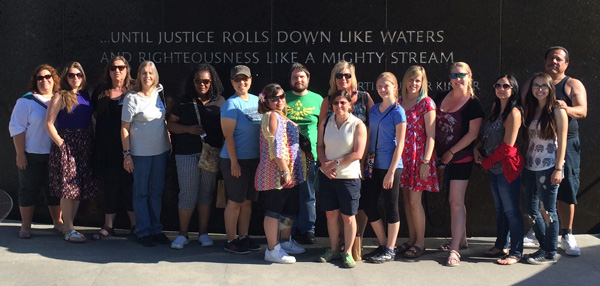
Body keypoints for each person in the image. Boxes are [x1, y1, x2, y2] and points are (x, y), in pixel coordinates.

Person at [520, 47, 587, 256]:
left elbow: (582, 110)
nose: (554, 62)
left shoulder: (572, 84)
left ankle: (566, 234)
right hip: (536, 149)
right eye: (551, 58)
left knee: (565, 189)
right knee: (538, 196)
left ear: (566, 64)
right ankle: (541, 233)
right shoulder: (533, 83)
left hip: (565, 144)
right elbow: (521, 106)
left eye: (559, 59)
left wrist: (564, 109)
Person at [318, 61, 374, 253]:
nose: (343, 79)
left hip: (361, 160)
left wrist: (366, 159)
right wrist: (325, 163)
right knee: (335, 211)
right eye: (339, 75)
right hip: (333, 165)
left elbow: (373, 128)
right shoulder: (328, 101)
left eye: (347, 75)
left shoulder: (365, 98)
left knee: (355, 207)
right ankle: (338, 244)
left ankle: (354, 245)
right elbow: (322, 134)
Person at [168, 64, 225, 249]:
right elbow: (170, 125)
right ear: (192, 82)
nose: (202, 84)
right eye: (198, 81)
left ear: (212, 82)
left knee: (206, 194)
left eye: (206, 81)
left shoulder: (220, 102)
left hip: (211, 154)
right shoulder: (184, 101)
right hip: (186, 153)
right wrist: (188, 130)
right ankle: (182, 234)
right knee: (187, 193)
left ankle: (203, 233)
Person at [435, 62, 484, 266]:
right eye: (454, 75)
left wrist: (451, 152)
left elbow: (473, 134)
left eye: (461, 75)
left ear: (469, 76)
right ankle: (461, 240)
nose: (457, 79)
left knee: (456, 202)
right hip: (439, 158)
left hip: (461, 158)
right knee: (452, 201)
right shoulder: (440, 97)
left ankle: (455, 250)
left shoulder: (473, 104)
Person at [474, 75, 524, 265]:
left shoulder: (514, 113)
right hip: (493, 167)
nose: (501, 88)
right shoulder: (495, 109)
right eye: (498, 85)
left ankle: (516, 251)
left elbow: (508, 147)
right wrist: (477, 149)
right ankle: (500, 245)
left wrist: (486, 162)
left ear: (513, 89)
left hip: (506, 168)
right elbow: (485, 134)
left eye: (506, 86)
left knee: (511, 211)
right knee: (500, 209)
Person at [9, 64, 63, 239]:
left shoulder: (61, 98)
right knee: (28, 190)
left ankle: (58, 222)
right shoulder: (25, 101)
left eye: (48, 77)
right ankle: (25, 225)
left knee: (54, 191)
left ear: (54, 79)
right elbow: (17, 128)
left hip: (54, 154)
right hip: (32, 155)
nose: (44, 81)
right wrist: (20, 154)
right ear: (35, 81)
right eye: (40, 78)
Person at [45, 62, 97, 243]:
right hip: (66, 143)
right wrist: (61, 144)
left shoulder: (85, 96)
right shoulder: (60, 96)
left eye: (79, 75)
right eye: (71, 75)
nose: (75, 78)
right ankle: (67, 228)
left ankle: (70, 225)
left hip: (83, 143)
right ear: (66, 77)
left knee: (78, 187)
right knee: (67, 188)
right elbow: (49, 124)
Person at [121, 61, 171, 247]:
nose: (147, 76)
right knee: (141, 192)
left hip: (160, 151)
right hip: (139, 154)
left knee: (156, 192)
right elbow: (124, 128)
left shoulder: (160, 93)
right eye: (144, 73)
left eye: (150, 73)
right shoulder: (132, 98)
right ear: (139, 76)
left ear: (155, 75)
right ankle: (143, 231)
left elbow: (162, 119)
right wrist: (127, 154)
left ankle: (156, 229)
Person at [255, 83, 306, 263]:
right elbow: (276, 145)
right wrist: (284, 170)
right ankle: (272, 249)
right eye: (274, 98)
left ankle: (284, 242)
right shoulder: (271, 116)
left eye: (282, 96)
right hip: (276, 172)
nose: (279, 100)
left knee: (289, 208)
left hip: (288, 172)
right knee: (274, 209)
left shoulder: (282, 116)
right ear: (266, 101)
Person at [316, 90, 367, 268]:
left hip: (349, 177)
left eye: (343, 103)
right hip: (328, 176)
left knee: (348, 217)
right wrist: (324, 165)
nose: (339, 106)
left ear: (350, 105)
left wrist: (335, 163)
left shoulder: (358, 125)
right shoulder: (325, 122)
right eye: (336, 103)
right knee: (331, 215)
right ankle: (333, 249)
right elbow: (320, 146)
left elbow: (358, 153)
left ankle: (347, 252)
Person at [522, 72, 568, 265]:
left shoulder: (557, 110)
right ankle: (544, 245)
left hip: (549, 166)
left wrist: (558, 168)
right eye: (536, 86)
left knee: (548, 210)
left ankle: (549, 251)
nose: (539, 89)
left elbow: (563, 141)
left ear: (550, 89)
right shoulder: (531, 110)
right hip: (530, 165)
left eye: (543, 86)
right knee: (530, 209)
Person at [362, 72, 406, 263]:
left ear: (395, 87)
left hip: (391, 166)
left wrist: (391, 172)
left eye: (386, 85)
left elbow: (401, 143)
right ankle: (383, 244)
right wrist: (364, 161)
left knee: (391, 207)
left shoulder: (398, 111)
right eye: (379, 85)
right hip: (373, 164)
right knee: (368, 204)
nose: (382, 89)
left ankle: (390, 248)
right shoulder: (374, 110)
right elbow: (370, 136)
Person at [91, 56, 136, 240]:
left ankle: (135, 225)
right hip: (106, 147)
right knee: (110, 185)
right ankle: (108, 226)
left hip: (129, 147)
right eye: (113, 68)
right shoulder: (101, 91)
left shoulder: (134, 90)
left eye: (121, 67)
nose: (117, 71)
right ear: (108, 71)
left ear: (127, 70)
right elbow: (93, 114)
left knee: (130, 186)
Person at [397, 66, 439, 259]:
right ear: (405, 81)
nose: (414, 84)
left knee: (415, 201)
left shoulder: (426, 103)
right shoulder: (398, 102)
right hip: (402, 159)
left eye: (418, 80)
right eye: (411, 79)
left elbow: (431, 136)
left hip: (419, 159)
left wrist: (425, 161)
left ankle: (420, 243)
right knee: (406, 200)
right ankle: (411, 240)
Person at [220, 65, 262, 254]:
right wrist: (234, 162)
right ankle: (231, 240)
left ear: (251, 80)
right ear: (232, 83)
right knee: (235, 201)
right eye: (237, 80)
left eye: (245, 79)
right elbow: (228, 137)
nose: (241, 83)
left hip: (254, 160)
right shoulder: (231, 104)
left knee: (247, 202)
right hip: (234, 161)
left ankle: (244, 237)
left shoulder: (258, 100)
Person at [285, 63, 322, 245]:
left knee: (308, 194)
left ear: (307, 79)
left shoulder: (318, 100)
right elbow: (262, 102)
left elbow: (322, 126)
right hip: (287, 156)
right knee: (289, 195)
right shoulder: (282, 98)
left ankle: (308, 229)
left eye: (302, 77)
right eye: (295, 77)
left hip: (310, 155)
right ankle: (288, 230)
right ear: (290, 80)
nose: (298, 80)